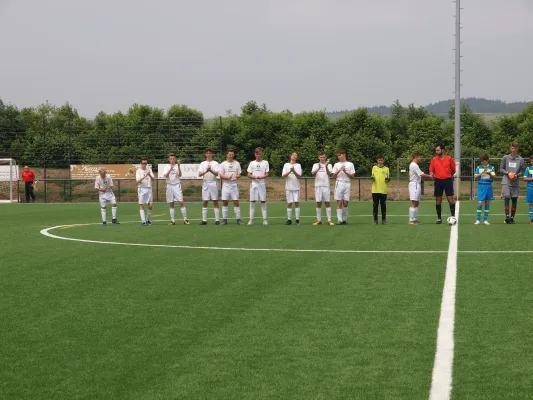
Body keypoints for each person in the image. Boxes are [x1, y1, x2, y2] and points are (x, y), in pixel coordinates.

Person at [429, 144, 456, 224]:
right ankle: (439, 218)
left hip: (447, 181)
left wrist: (448, 175)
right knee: (438, 200)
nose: (436, 152)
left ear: (442, 150)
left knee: (450, 199)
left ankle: (453, 217)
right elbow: (431, 170)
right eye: (436, 150)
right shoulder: (434, 160)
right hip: (438, 181)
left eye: (438, 150)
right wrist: (431, 174)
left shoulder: (449, 159)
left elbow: (453, 170)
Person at [500, 141, 525, 224]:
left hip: (515, 182)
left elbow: (522, 171)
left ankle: (512, 217)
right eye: (512, 148)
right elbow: (501, 169)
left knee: (514, 200)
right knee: (506, 197)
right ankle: (507, 217)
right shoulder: (505, 157)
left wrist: (516, 176)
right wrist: (508, 173)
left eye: (515, 148)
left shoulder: (521, 159)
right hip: (506, 181)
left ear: (517, 149)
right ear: (510, 148)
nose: (514, 149)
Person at [163, 153, 190, 225]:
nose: (172, 160)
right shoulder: (166, 167)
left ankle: (185, 219)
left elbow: (180, 175)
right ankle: (172, 221)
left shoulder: (177, 166)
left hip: (177, 185)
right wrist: (170, 169)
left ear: (175, 159)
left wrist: (179, 166)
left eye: (173, 159)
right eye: (171, 159)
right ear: (169, 159)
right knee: (171, 203)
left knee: (181, 202)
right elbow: (165, 175)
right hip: (169, 186)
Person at [219, 149, 244, 225]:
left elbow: (239, 174)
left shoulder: (237, 163)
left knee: (236, 201)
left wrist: (237, 176)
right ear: (227, 155)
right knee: (225, 202)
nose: (231, 156)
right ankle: (224, 219)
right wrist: (227, 177)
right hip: (226, 185)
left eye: (232, 154)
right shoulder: (223, 164)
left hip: (234, 185)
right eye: (229, 154)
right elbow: (221, 175)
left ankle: (238, 219)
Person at [247, 147, 270, 225]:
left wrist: (262, 177)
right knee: (252, 202)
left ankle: (264, 220)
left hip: (262, 183)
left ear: (261, 154)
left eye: (259, 154)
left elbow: (267, 173)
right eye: (257, 154)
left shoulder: (265, 162)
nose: (258, 155)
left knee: (263, 201)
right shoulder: (252, 163)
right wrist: (254, 177)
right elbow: (248, 174)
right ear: (255, 154)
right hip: (254, 184)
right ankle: (251, 220)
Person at [332, 150, 356, 225]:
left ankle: (345, 219)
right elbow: (333, 176)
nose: (339, 157)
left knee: (345, 202)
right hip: (339, 183)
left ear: (344, 155)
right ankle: (339, 220)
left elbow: (352, 176)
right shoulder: (336, 164)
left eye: (340, 155)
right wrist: (339, 170)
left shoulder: (350, 164)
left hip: (347, 183)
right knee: (339, 202)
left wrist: (345, 172)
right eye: (338, 155)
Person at [409, 152, 433, 225]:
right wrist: (429, 176)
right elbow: (421, 174)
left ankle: (414, 219)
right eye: (420, 157)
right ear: (416, 157)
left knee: (417, 202)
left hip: (417, 184)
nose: (421, 159)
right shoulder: (414, 165)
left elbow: (420, 173)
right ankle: (411, 219)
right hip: (414, 184)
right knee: (414, 202)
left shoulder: (415, 165)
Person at [198, 148, 220, 225]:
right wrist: (206, 171)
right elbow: (200, 174)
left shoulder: (215, 163)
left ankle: (217, 220)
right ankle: (204, 220)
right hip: (206, 183)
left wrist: (210, 170)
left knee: (215, 201)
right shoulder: (202, 163)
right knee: (205, 201)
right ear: (205, 154)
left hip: (213, 183)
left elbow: (217, 174)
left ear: (212, 154)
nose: (208, 154)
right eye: (207, 153)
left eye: (210, 153)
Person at [311, 152, 334, 226]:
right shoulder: (315, 165)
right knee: (318, 203)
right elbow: (313, 173)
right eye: (321, 157)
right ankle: (318, 220)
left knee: (327, 202)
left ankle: (329, 220)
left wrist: (326, 167)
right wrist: (318, 168)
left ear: (325, 157)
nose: (322, 158)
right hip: (318, 186)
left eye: (323, 157)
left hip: (326, 186)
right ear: (319, 157)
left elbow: (330, 174)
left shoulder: (329, 165)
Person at [473, 154, 496, 225]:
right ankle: (478, 219)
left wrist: (489, 174)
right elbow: (475, 177)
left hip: (488, 186)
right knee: (480, 202)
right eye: (481, 161)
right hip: (481, 186)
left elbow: (494, 177)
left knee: (487, 202)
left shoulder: (491, 167)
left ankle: (485, 220)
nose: (482, 162)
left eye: (483, 161)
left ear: (486, 160)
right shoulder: (479, 167)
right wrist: (482, 172)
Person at [282, 152, 302, 225]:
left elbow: (299, 176)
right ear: (290, 156)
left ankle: (297, 220)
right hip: (288, 187)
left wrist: (294, 171)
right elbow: (284, 175)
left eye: (296, 155)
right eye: (293, 155)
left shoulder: (298, 165)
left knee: (297, 203)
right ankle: (289, 220)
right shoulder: (286, 165)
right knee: (289, 203)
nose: (294, 156)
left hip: (296, 187)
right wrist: (290, 171)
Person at [371, 155, 390, 225]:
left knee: (383, 205)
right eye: (379, 160)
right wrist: (372, 178)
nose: (380, 161)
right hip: (375, 190)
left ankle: (384, 219)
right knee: (375, 205)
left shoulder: (386, 169)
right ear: (377, 160)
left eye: (381, 160)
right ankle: (375, 220)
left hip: (383, 190)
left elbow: (387, 179)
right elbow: (372, 176)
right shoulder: (374, 167)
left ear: (383, 161)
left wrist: (387, 179)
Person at [136, 157, 154, 225]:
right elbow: (138, 181)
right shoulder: (138, 171)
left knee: (150, 205)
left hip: (149, 188)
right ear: (141, 163)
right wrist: (144, 176)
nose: (144, 164)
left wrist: (149, 175)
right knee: (142, 204)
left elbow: (153, 179)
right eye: (143, 163)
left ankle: (148, 219)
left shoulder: (149, 169)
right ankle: (143, 221)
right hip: (141, 188)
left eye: (145, 163)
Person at [524, 155, 533, 225]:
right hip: (530, 188)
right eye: (532, 161)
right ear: (530, 162)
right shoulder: (528, 168)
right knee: (531, 204)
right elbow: (525, 179)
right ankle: (532, 219)